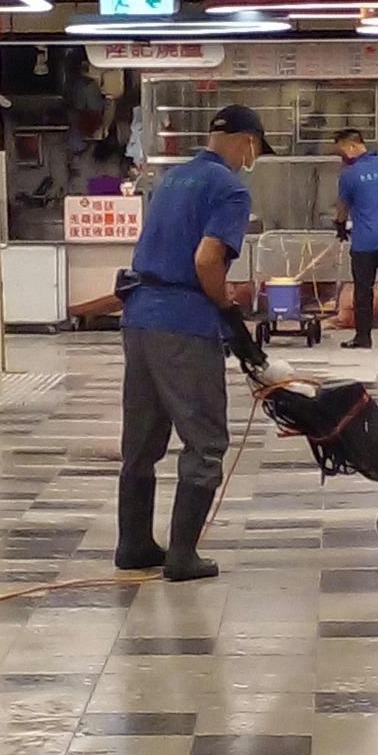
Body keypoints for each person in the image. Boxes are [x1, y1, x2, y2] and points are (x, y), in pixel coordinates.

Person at [116, 104, 273, 581]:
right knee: (205, 442)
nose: (253, 159)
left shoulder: (172, 179)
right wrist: (228, 312)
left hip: (140, 319)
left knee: (141, 444)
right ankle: (183, 556)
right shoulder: (229, 187)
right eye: (256, 151)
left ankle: (134, 544)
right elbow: (208, 260)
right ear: (248, 142)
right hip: (184, 324)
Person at [333, 129, 378, 350]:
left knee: (363, 291)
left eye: (341, 151)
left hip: (364, 243)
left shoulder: (350, 174)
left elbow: (342, 208)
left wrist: (339, 227)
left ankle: (363, 338)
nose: (341, 156)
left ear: (351, 147)